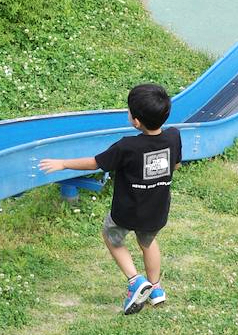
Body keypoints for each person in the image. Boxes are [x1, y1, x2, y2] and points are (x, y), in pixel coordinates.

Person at [39, 83, 181, 315]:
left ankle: (136, 281)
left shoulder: (127, 146)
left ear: (136, 121)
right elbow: (174, 164)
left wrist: (63, 163)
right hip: (156, 208)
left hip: (127, 211)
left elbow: (96, 162)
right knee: (147, 242)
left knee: (111, 237)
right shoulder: (174, 137)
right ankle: (156, 290)